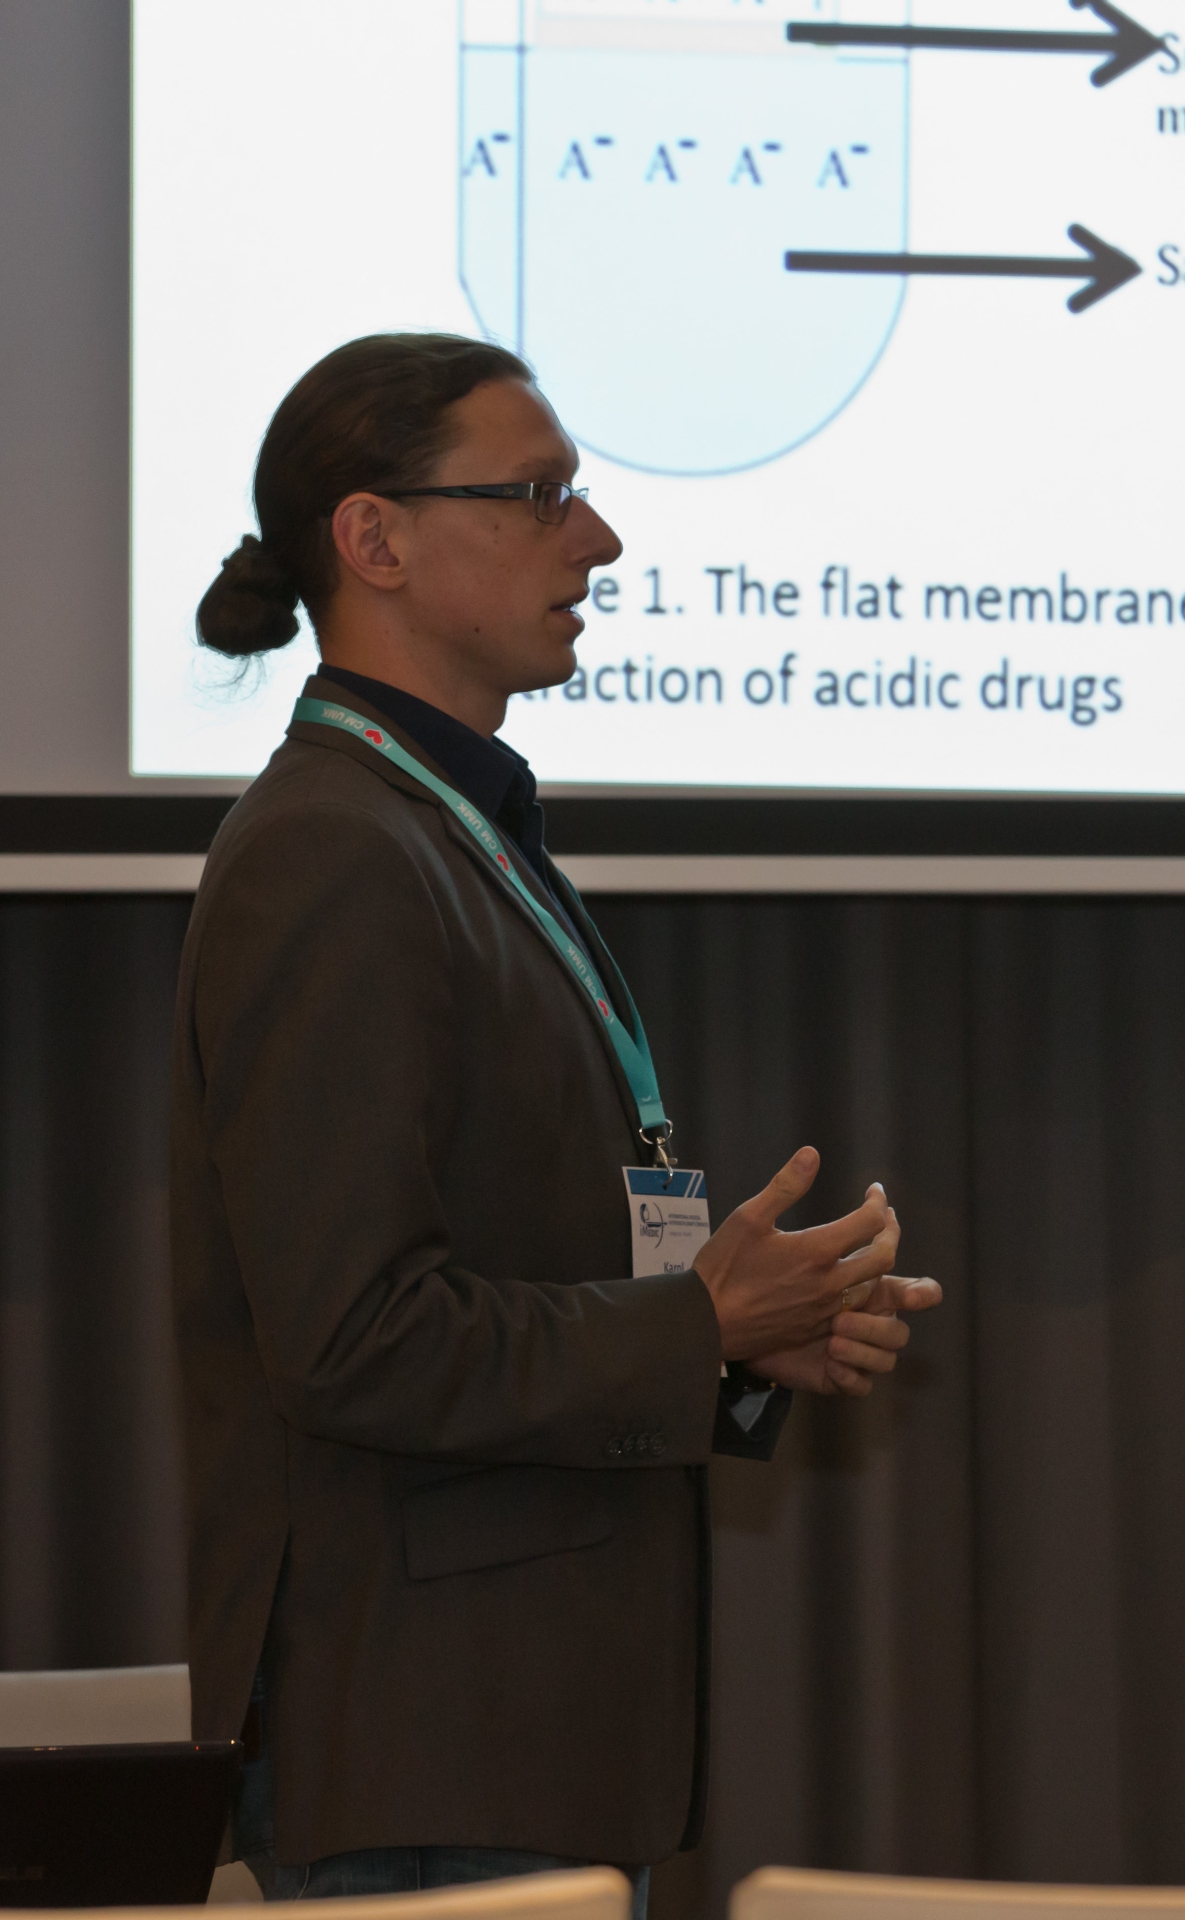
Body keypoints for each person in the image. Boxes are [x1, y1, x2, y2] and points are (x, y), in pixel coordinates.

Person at [171, 332, 942, 1912]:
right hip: (424, 1745)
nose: (597, 540)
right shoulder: (331, 852)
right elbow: (352, 1338)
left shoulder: (451, 831)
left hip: (510, 1733)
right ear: (374, 539)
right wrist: (695, 1324)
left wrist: (731, 1343)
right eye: (540, 497)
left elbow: (502, 1276)